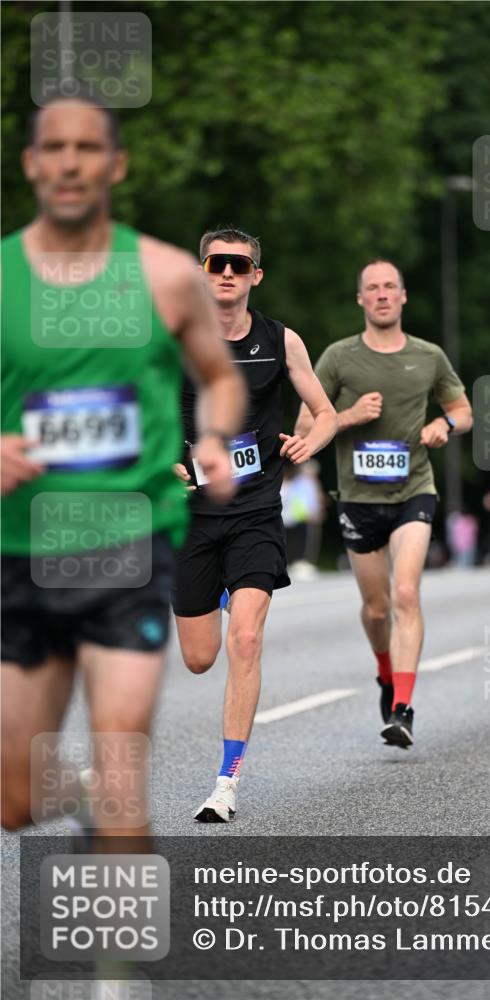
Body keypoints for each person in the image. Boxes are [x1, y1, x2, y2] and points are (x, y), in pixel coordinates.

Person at [1, 97, 246, 845]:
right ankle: (67, 795)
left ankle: (116, 957)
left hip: (129, 545)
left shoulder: (168, 275)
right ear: (32, 164)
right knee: (13, 798)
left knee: (119, 768)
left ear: (116, 164)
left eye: (87, 148)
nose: (71, 162)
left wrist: (214, 440)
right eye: (55, 148)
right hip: (21, 551)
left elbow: (221, 376)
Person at [172, 227, 336, 823]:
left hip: (256, 512)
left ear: (255, 276)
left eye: (238, 265)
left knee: (246, 638)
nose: (226, 273)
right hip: (193, 515)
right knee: (197, 658)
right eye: (216, 263)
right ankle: (220, 593)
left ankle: (227, 781)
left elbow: (325, 414)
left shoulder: (280, 340)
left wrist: (309, 443)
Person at [295, 260, 472, 748]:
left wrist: (445, 427)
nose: (381, 295)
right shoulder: (338, 358)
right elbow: (306, 429)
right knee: (376, 610)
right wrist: (348, 415)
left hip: (414, 489)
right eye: (371, 288)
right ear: (360, 300)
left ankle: (402, 709)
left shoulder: (428, 356)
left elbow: (462, 410)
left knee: (406, 596)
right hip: (357, 498)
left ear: (403, 296)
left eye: (389, 287)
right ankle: (385, 672)